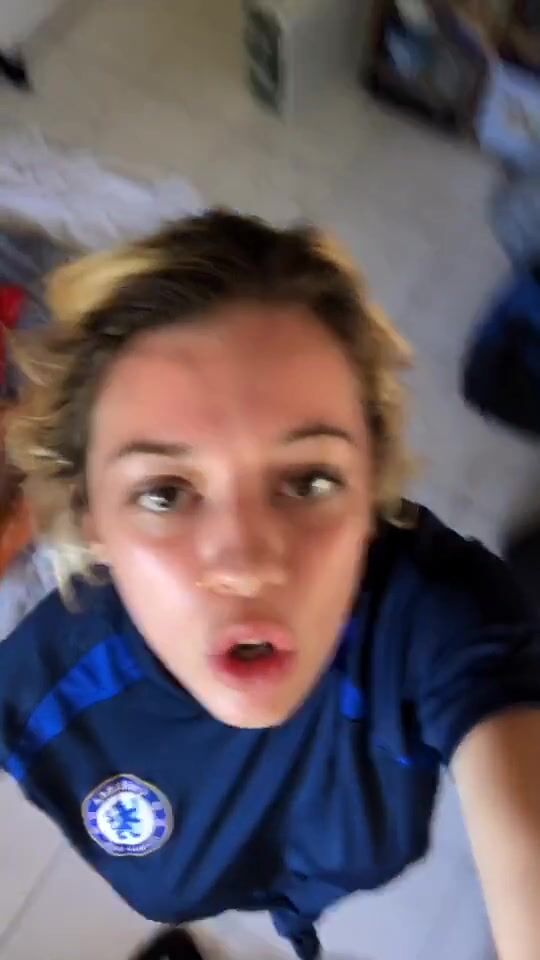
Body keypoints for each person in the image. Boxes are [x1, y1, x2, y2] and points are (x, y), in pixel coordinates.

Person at [2, 210, 540, 960]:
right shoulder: (40, 693)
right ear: (93, 520)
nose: (247, 563)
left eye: (309, 480)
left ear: (369, 490)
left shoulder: (433, 615)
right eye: (165, 493)